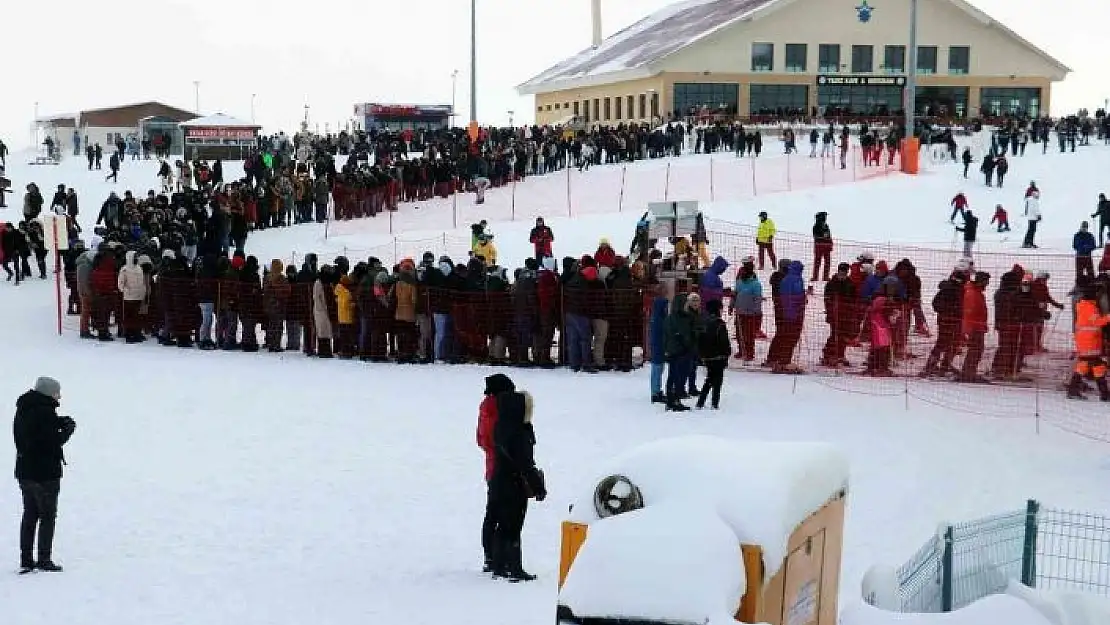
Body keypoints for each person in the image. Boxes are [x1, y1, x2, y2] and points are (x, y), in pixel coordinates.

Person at [13, 377, 76, 573]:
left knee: (30, 514)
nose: (60, 396)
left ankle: (26, 559)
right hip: (45, 474)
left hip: (25, 471)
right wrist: (67, 430)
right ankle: (44, 558)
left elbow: (34, 432)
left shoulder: (24, 408)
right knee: (47, 516)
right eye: (57, 392)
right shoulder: (45, 412)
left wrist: (58, 421)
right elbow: (51, 442)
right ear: (48, 393)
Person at [489, 387, 545, 581]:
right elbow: (526, 465)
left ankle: (498, 565)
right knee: (514, 527)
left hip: (498, 481)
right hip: (514, 485)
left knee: (501, 526)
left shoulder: (501, 426)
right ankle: (515, 568)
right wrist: (538, 488)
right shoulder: (520, 433)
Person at [476, 373, 515, 573]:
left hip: (491, 466)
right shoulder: (498, 409)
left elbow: (481, 439)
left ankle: (490, 556)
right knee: (501, 515)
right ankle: (499, 557)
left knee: (492, 513)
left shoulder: (485, 408)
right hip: (501, 466)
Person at [1067, 279, 1110, 400]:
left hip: (1090, 341)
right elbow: (1097, 321)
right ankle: (1104, 393)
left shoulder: (1088, 305)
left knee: (1090, 365)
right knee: (1095, 364)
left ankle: (1074, 390)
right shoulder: (1088, 307)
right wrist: (1108, 317)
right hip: (1088, 342)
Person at [696, 300, 731, 410]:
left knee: (709, 379)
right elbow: (724, 341)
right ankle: (714, 403)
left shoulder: (704, 322)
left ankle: (701, 402)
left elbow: (700, 339)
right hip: (719, 356)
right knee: (718, 380)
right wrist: (727, 353)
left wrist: (702, 354)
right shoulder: (719, 323)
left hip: (707, 356)